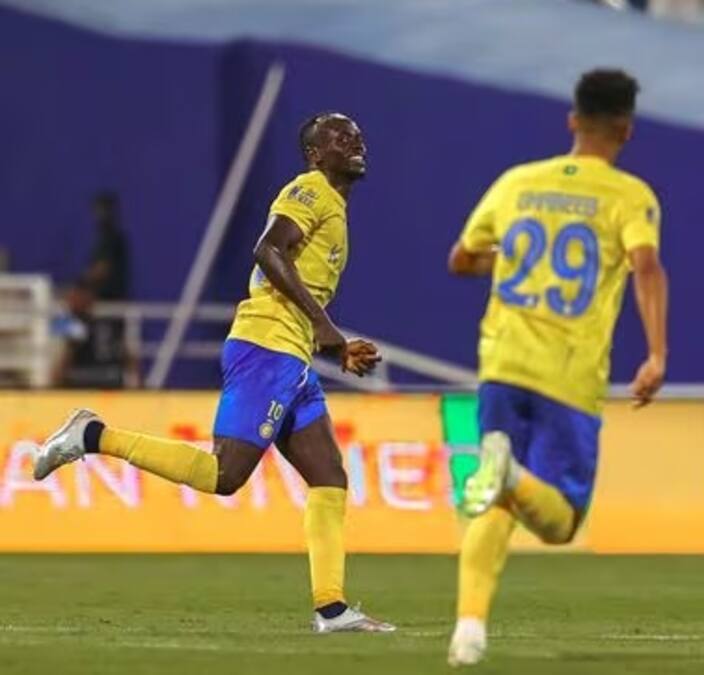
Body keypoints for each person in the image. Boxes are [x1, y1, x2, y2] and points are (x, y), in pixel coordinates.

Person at [33, 113, 395, 634]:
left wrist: (328, 342)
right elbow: (267, 249)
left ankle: (332, 608)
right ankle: (92, 436)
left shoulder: (334, 204)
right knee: (224, 476)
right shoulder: (310, 190)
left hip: (291, 353)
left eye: (357, 135)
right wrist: (325, 328)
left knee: (329, 477)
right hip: (267, 346)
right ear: (315, 154)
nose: (355, 141)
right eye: (340, 137)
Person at [444, 68, 669, 666]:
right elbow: (646, 266)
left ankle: (468, 630)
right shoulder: (629, 196)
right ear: (626, 128)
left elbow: (462, 259)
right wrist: (656, 354)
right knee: (561, 521)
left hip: (500, 362)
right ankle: (512, 474)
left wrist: (512, 262)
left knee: (495, 504)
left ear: (573, 120)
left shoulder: (517, 182)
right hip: (566, 374)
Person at [52, 282, 129, 389]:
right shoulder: (111, 322)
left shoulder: (78, 325)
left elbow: (66, 359)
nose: (70, 302)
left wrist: (55, 381)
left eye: (74, 298)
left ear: (87, 300)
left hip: (87, 381)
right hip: (113, 378)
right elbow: (128, 355)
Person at [83, 192, 129, 301]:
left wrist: (79, 283)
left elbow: (101, 270)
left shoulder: (112, 238)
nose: (99, 215)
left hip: (111, 302)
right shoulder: (105, 238)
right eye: (97, 210)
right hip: (102, 300)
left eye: (103, 210)